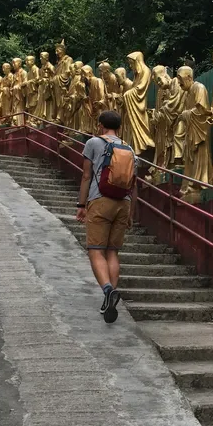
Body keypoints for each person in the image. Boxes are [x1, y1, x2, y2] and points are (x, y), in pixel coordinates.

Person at [76, 110, 136, 323]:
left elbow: (86, 175)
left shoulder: (93, 142)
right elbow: (134, 184)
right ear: (118, 127)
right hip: (124, 203)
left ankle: (108, 290)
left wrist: (81, 204)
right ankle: (109, 299)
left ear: (100, 124)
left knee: (95, 251)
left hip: (100, 200)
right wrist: (131, 213)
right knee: (112, 252)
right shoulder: (129, 149)